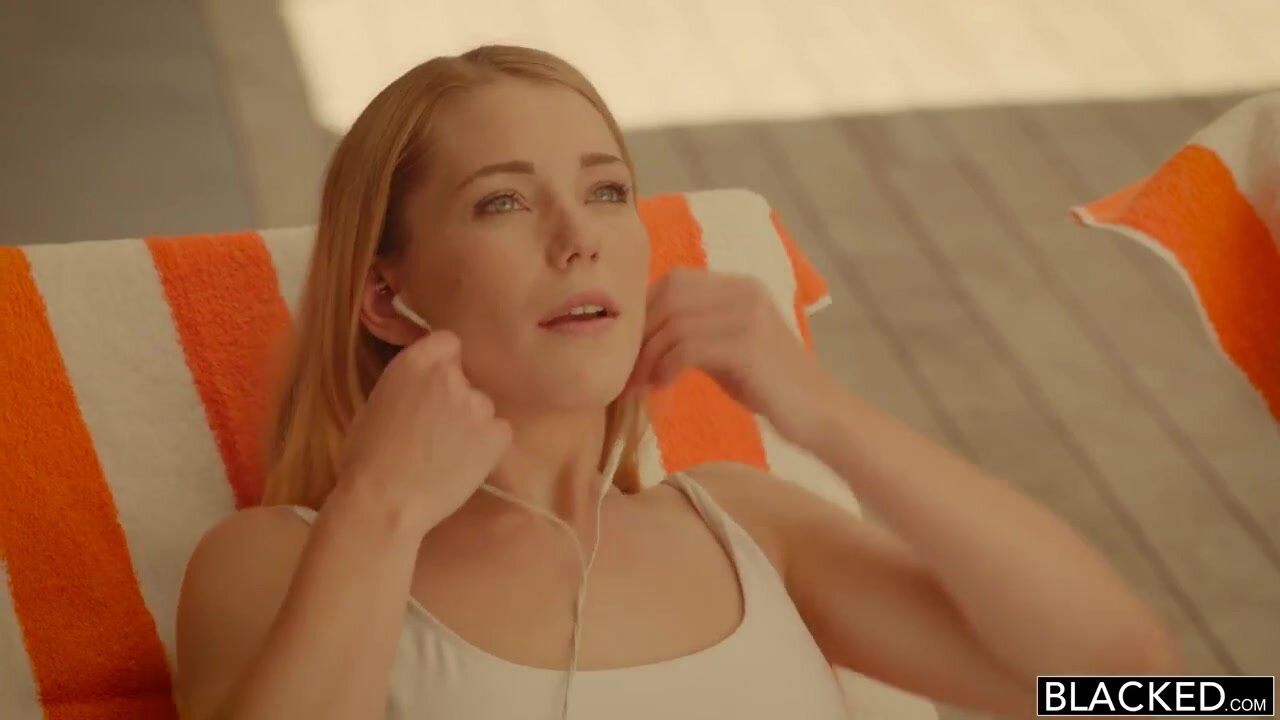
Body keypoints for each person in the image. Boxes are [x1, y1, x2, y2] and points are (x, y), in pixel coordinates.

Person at [174, 45, 1182, 720]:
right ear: (385, 298)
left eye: (607, 190)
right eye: (503, 202)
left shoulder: (744, 529)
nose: (578, 238)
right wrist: (381, 508)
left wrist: (821, 412)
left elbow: (1131, 685)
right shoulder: (282, 558)